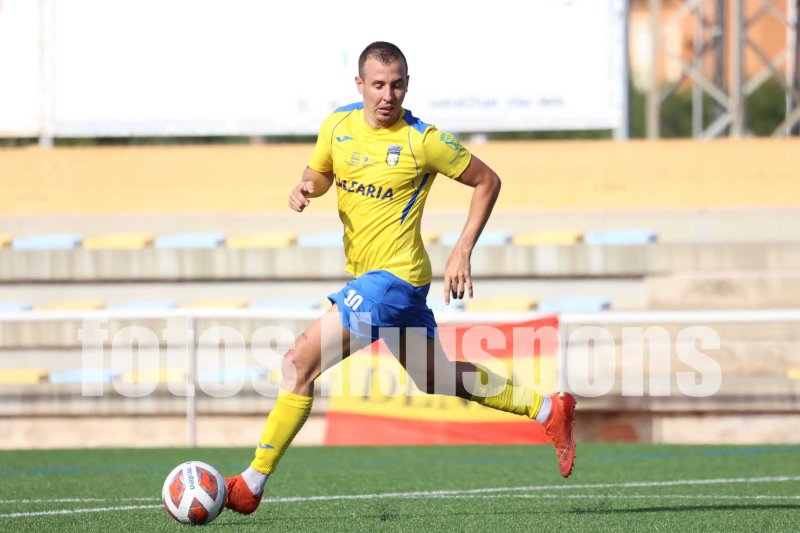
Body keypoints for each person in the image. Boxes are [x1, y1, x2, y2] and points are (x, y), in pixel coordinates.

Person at [224, 41, 576, 514]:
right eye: (378, 85)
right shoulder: (337, 126)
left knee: (297, 363)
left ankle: (251, 482)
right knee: (437, 377)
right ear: (360, 85)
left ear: (407, 85)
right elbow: (322, 172)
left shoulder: (422, 140)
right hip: (391, 286)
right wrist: (308, 186)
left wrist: (462, 250)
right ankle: (549, 409)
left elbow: (488, 181)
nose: (388, 95)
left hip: (390, 281)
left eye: (397, 85)